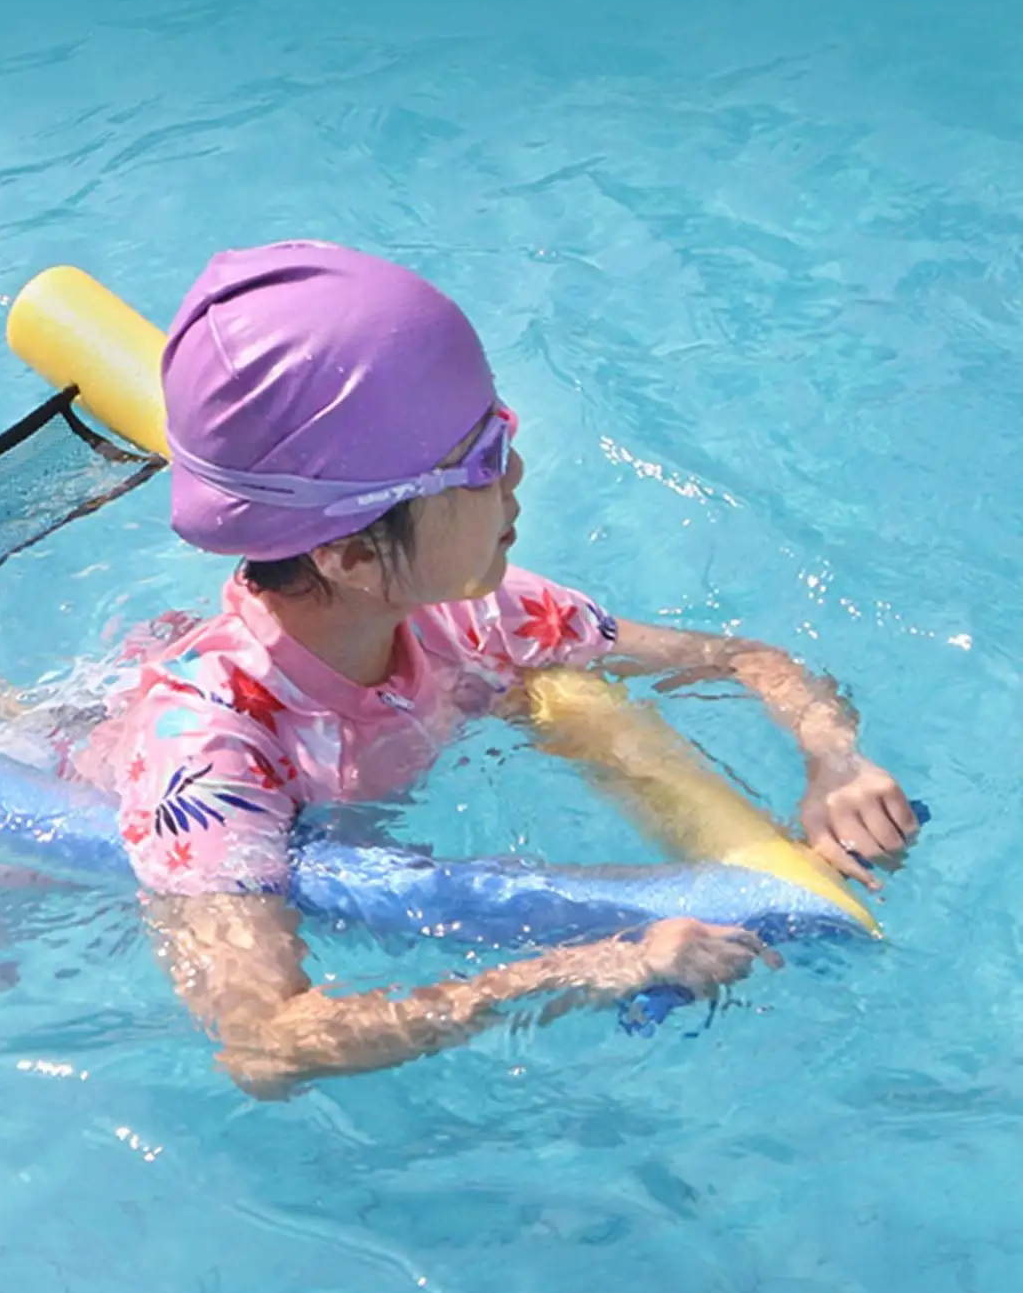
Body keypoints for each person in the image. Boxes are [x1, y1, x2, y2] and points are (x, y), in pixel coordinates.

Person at [52, 241, 920, 1095]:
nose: (517, 471)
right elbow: (265, 1046)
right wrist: (576, 970)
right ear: (352, 558)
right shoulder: (210, 756)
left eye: (502, 428)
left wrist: (831, 758)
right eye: (477, 462)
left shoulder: (470, 610)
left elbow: (744, 660)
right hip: (35, 866)